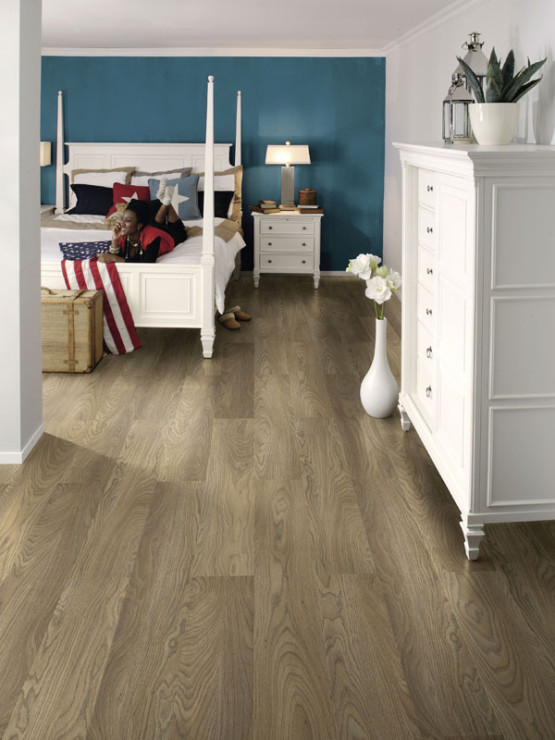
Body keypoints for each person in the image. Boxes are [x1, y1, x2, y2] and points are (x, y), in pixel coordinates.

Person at [99, 180, 187, 264]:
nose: (122, 223)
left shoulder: (153, 238)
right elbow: (115, 255)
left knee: (179, 231)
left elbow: (147, 263)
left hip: (168, 234)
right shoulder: (124, 234)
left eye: (127, 220)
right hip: (148, 227)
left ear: (139, 225)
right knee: (156, 222)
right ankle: (164, 201)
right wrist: (115, 240)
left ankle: (167, 202)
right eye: (122, 219)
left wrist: (115, 259)